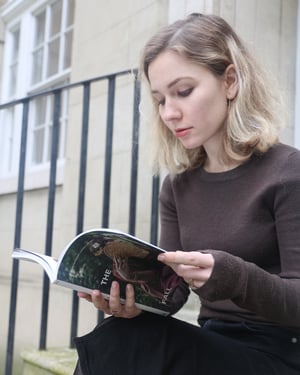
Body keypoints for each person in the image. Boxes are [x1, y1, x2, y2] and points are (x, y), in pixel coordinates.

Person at [73, 13, 300, 374]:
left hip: (280, 352)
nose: (169, 113)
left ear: (230, 81)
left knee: (135, 345)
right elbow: (173, 294)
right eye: (160, 99)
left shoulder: (289, 172)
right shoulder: (177, 187)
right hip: (214, 342)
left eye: (183, 92)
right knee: (120, 331)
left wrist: (233, 274)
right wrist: (133, 302)